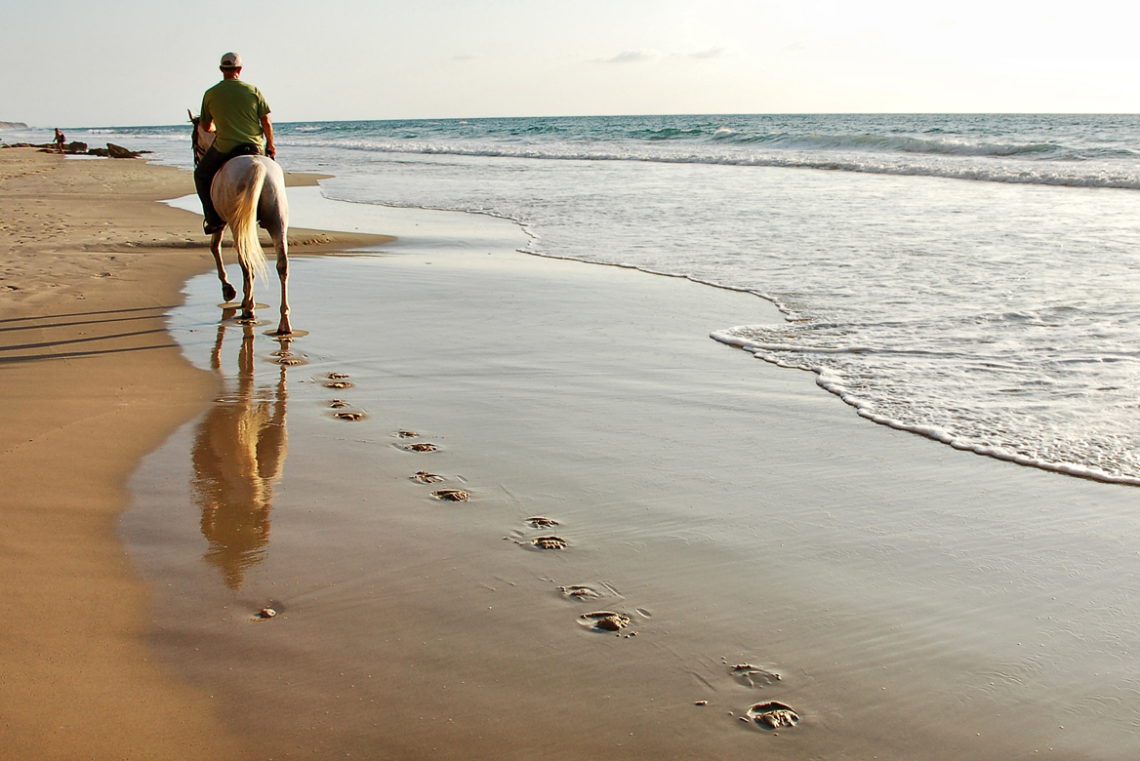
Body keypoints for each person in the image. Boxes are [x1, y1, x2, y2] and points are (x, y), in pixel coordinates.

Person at [194, 52, 276, 234]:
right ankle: (269, 213)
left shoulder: (211, 94)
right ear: (240, 69)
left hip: (226, 147)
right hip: (255, 146)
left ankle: (214, 220)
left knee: (200, 175)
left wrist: (218, 126)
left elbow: (206, 127)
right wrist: (270, 145)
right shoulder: (253, 90)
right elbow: (266, 121)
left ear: (222, 70)